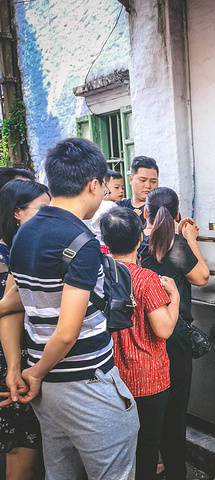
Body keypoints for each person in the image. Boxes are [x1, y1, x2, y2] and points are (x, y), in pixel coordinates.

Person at [6, 137, 139, 479]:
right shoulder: (81, 242)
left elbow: (12, 307)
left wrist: (16, 368)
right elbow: (67, 332)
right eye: (104, 190)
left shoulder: (24, 234)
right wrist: (32, 376)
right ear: (93, 185)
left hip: (46, 388)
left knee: (61, 473)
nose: (105, 197)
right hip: (86, 384)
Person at [100, 207, 180, 480]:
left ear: (105, 240)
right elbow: (164, 329)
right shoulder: (146, 279)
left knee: (116, 449)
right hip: (147, 379)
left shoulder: (96, 276)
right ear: (139, 240)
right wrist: (175, 297)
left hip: (108, 378)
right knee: (146, 446)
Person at [138, 187, 209, 480]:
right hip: (173, 336)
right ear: (178, 214)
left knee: (149, 412)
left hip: (143, 336)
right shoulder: (177, 245)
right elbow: (202, 276)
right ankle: (176, 472)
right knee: (174, 413)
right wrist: (191, 239)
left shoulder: (137, 243)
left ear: (145, 213)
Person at [0, 179, 49, 480]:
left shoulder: (27, 246)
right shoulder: (11, 254)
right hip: (12, 362)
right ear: (17, 212)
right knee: (22, 452)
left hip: (23, 361)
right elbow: (10, 306)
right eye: (43, 208)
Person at [85, 170, 125, 252]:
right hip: (108, 246)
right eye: (116, 187)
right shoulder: (110, 206)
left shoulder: (97, 204)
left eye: (122, 188)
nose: (121, 191)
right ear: (104, 188)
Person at [118, 156, 159, 224]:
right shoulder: (119, 208)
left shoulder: (164, 209)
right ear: (131, 180)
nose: (148, 186)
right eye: (143, 180)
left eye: (153, 181)